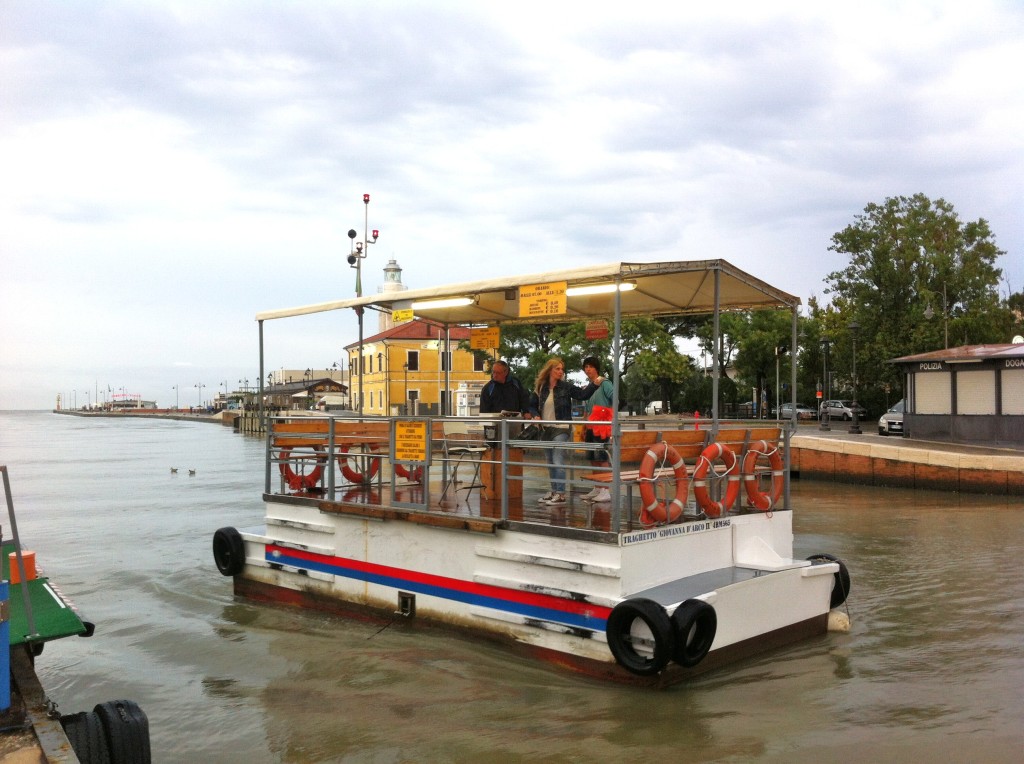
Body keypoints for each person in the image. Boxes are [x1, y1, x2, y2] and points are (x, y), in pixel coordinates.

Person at [528, 358, 599, 505]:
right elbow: (531, 404)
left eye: (562, 369)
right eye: (557, 369)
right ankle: (554, 491)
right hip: (546, 429)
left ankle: (560, 493)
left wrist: (594, 385)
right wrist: (535, 414)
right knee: (550, 461)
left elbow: (582, 395)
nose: (561, 372)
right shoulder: (541, 387)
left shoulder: (566, 387)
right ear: (550, 371)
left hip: (561, 428)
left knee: (558, 460)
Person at [580, 356, 615, 504]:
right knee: (592, 458)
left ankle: (605, 490)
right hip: (590, 425)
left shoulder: (605, 383)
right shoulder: (589, 386)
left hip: (602, 426)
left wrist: (607, 415)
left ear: (596, 368)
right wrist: (584, 422)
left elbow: (616, 399)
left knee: (602, 458)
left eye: (590, 366)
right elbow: (587, 408)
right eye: (585, 367)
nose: (587, 369)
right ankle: (597, 487)